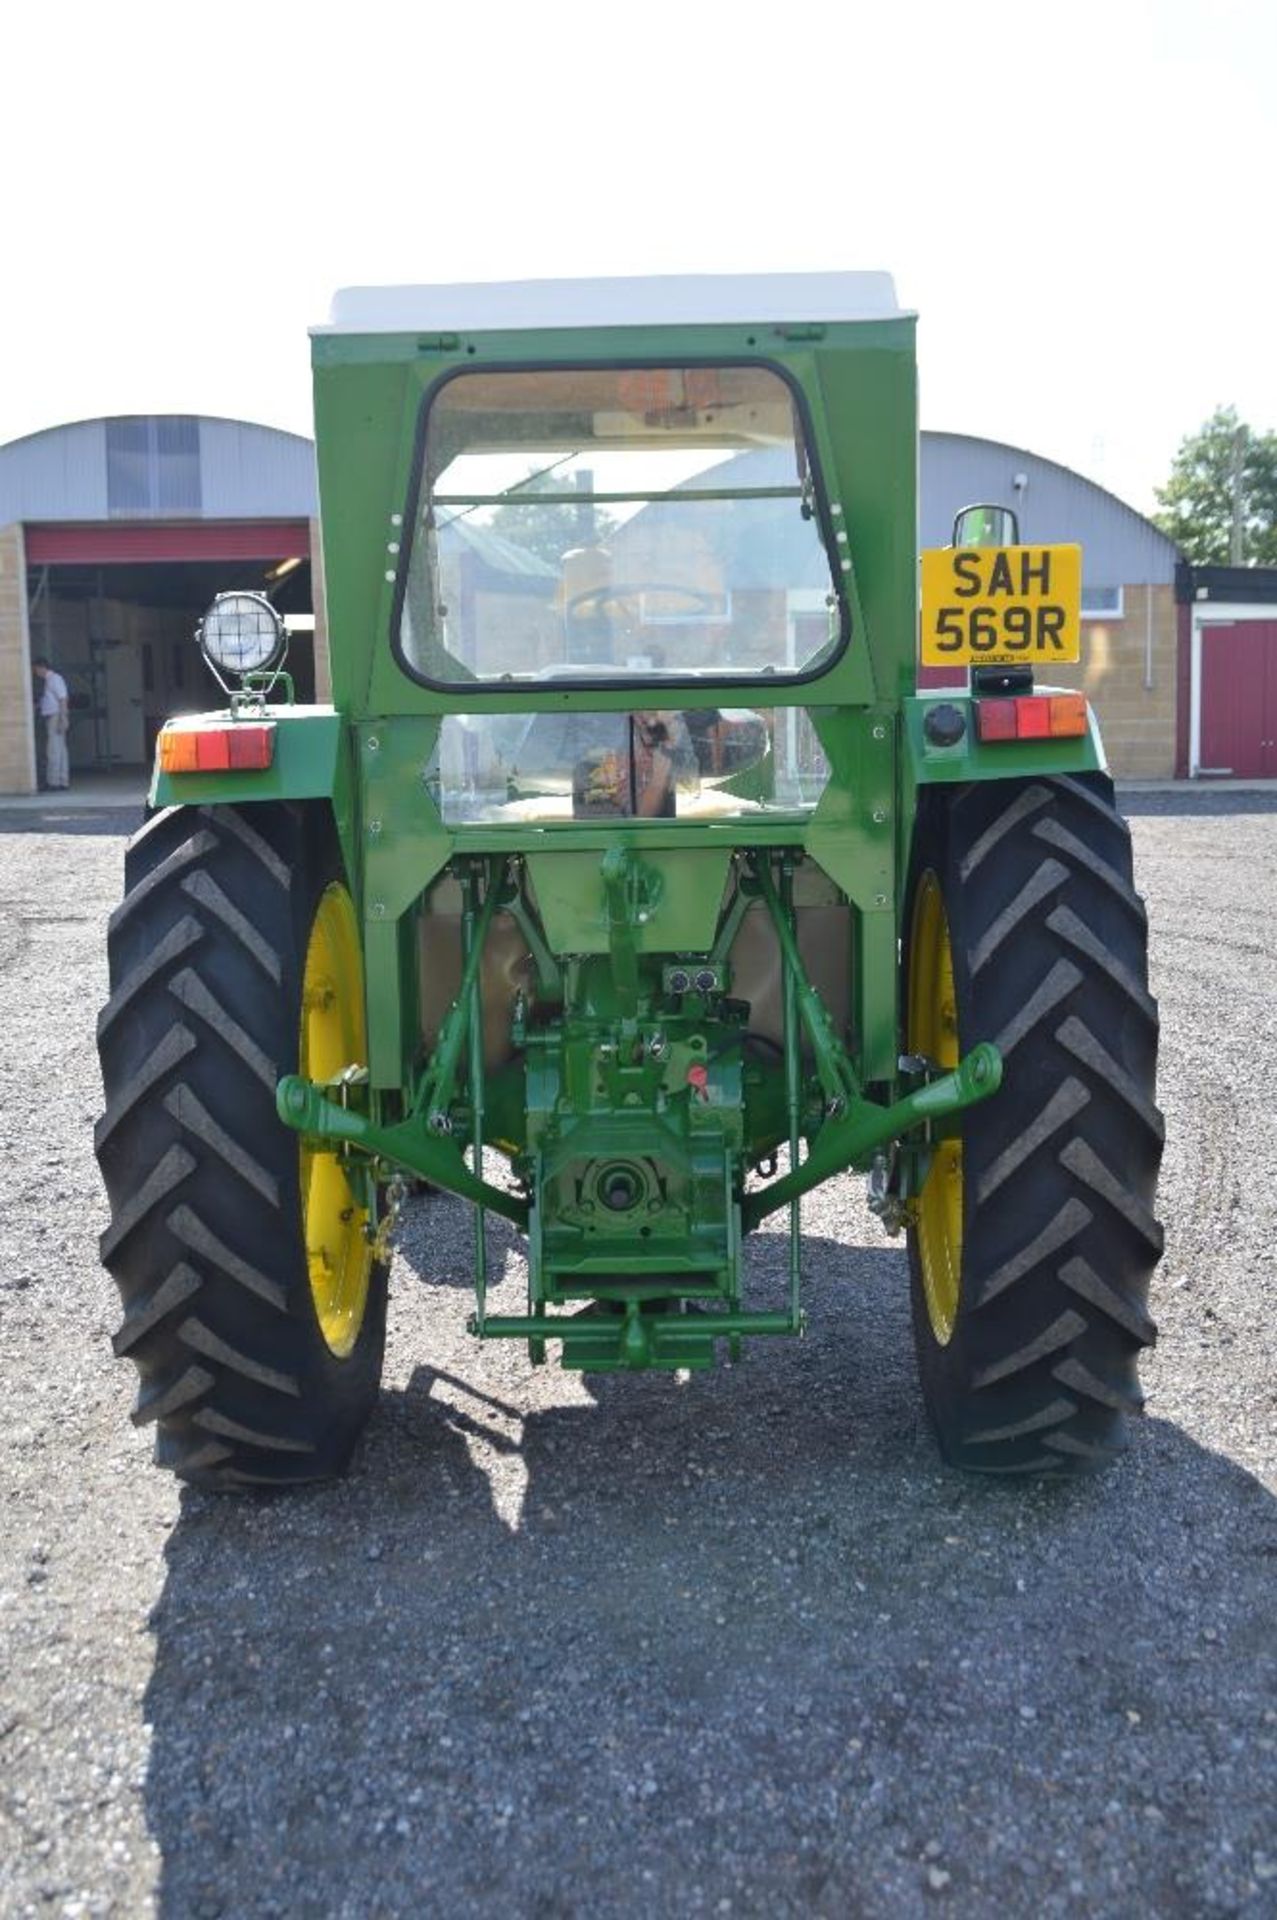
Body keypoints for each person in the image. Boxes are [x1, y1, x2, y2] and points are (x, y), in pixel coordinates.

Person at [33, 657, 70, 790]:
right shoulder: (48, 680)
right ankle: (62, 781)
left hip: (55, 716)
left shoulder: (54, 679)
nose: (35, 672)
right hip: (53, 716)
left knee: (53, 750)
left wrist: (63, 718)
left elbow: (62, 698)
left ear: (41, 667)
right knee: (60, 749)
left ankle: (54, 782)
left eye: (36, 669)